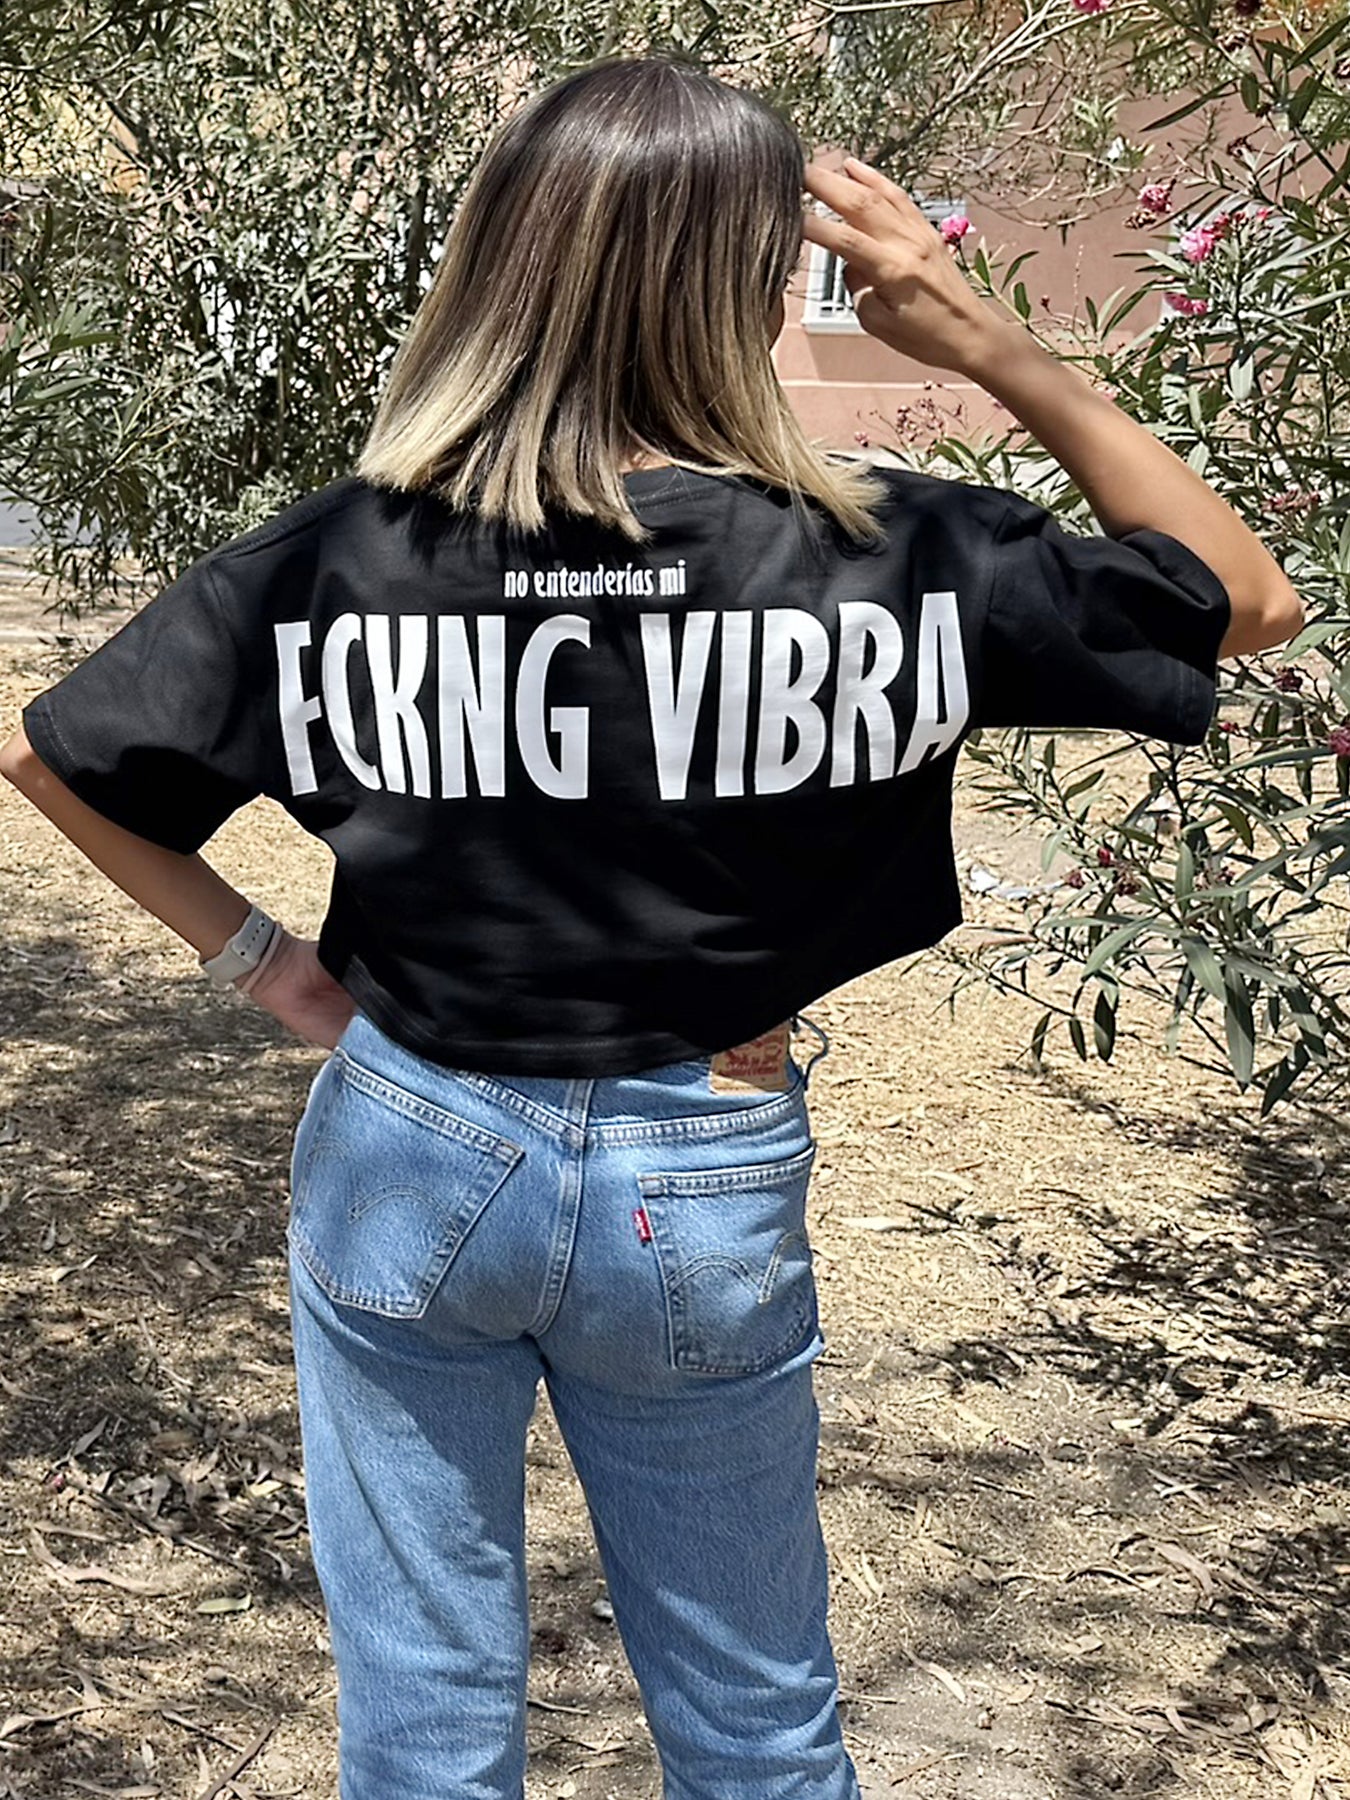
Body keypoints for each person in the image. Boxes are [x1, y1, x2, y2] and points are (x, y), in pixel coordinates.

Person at [1, 52, 1301, 1800]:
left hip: (411, 1136)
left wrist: (273, 972)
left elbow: (56, 757)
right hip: (702, 1159)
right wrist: (988, 343)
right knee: (755, 1724)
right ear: (756, 289)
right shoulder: (894, 553)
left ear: (494, 264)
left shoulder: (339, 555)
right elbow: (1245, 600)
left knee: (422, 1721)